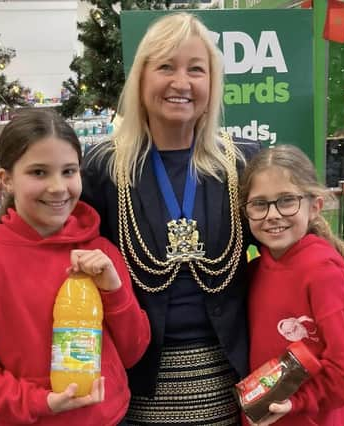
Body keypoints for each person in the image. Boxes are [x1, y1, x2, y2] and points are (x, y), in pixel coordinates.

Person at [82, 12, 260, 425]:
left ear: (212, 84)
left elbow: (291, 249)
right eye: (166, 67)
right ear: (141, 78)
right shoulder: (103, 168)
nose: (181, 83)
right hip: (135, 382)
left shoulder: (243, 163)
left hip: (229, 377)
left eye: (196, 70)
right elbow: (62, 252)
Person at [0, 109, 151, 426]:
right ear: (6, 179)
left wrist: (114, 292)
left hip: (110, 418)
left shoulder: (99, 252)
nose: (57, 187)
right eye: (39, 172)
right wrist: (38, 402)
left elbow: (133, 351)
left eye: (68, 171)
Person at [239, 144, 344, 426]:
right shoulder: (253, 271)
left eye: (287, 200)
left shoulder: (324, 273)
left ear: (315, 206)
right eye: (260, 204)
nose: (273, 214)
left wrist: (297, 401)